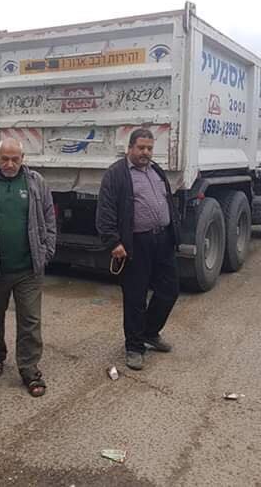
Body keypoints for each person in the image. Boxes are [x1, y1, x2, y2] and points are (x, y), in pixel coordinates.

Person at [0, 138, 56, 397]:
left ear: (22, 158)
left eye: (15, 159)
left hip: (29, 268)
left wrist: (47, 249)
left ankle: (29, 368)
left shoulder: (36, 182)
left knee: (30, 320)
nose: (9, 164)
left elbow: (50, 217)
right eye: (4, 158)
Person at [96, 128, 180, 371]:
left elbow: (167, 202)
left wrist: (174, 232)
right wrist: (114, 242)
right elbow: (105, 211)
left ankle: (150, 332)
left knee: (170, 290)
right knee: (135, 297)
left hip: (162, 240)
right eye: (141, 148)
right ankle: (134, 347)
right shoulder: (116, 174)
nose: (145, 152)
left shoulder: (156, 171)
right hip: (135, 244)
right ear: (130, 148)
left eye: (149, 148)